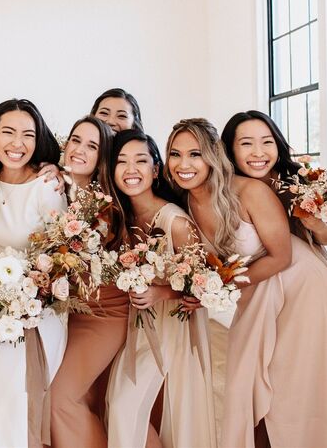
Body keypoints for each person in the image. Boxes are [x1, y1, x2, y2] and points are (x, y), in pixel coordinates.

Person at [166, 118, 327, 447]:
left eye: (195, 154)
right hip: (259, 290)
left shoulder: (256, 189)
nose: (185, 164)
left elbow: (282, 256)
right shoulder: (183, 200)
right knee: (245, 387)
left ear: (214, 154)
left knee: (295, 386)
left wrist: (219, 287)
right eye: (175, 154)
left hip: (300, 286)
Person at [0, 98, 67, 447]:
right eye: (8, 132)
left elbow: (63, 255)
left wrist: (29, 295)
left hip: (39, 312)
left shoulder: (47, 187)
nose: (18, 144)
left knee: (15, 393)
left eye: (28, 134)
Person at [106, 129, 216, 448]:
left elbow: (203, 285)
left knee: (126, 407)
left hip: (170, 330)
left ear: (155, 170)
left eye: (141, 161)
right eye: (122, 161)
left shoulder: (175, 223)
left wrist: (161, 292)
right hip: (133, 328)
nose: (131, 169)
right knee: (120, 406)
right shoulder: (118, 218)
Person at [49, 116, 130, 447]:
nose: (79, 150)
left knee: (60, 398)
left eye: (92, 145)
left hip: (105, 314)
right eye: (75, 140)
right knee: (76, 398)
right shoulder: (54, 188)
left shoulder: (106, 204)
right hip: (68, 314)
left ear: (103, 157)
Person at [221, 110, 327, 261]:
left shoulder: (297, 178)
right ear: (230, 149)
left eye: (267, 142)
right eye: (246, 143)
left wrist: (318, 227)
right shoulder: (223, 190)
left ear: (278, 145)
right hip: (261, 277)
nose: (258, 153)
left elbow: (326, 238)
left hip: (308, 271)